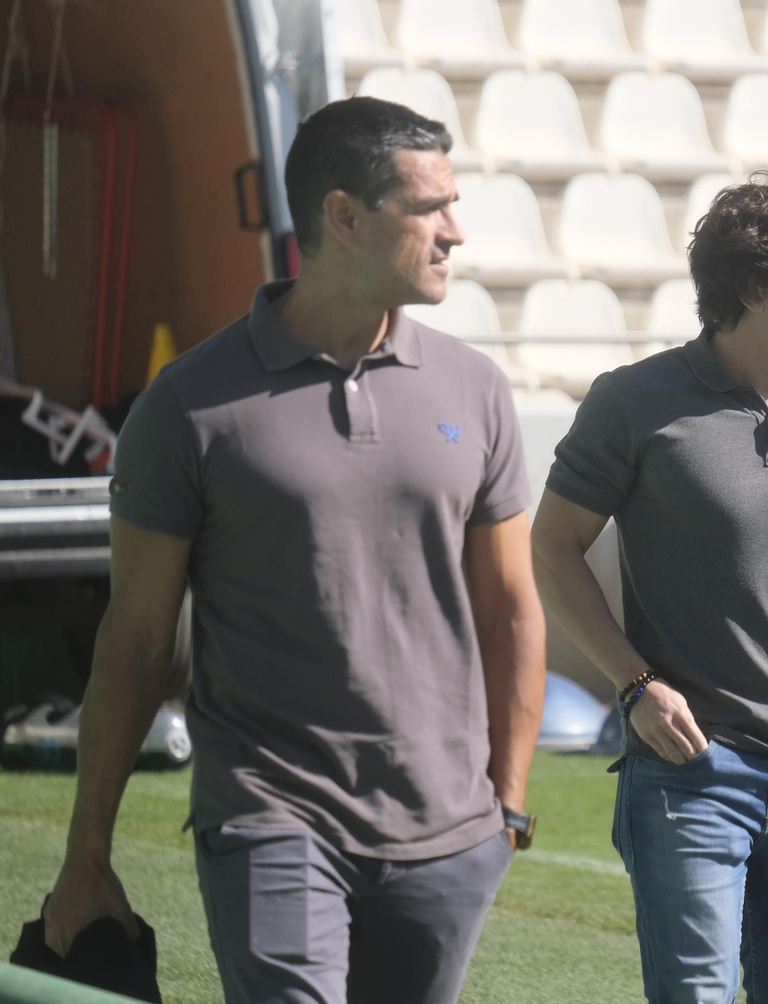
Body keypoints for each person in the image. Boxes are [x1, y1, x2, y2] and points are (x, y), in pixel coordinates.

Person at [42, 96, 547, 1004]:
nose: (455, 233)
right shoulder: (188, 404)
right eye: (429, 208)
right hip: (270, 816)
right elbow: (137, 642)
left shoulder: (475, 389)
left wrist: (504, 807)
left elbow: (511, 606)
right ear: (344, 216)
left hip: (450, 836)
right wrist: (88, 855)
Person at [531, 166, 768, 1004]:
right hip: (688, 769)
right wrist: (636, 685)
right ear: (757, 286)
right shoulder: (633, 402)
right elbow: (553, 547)